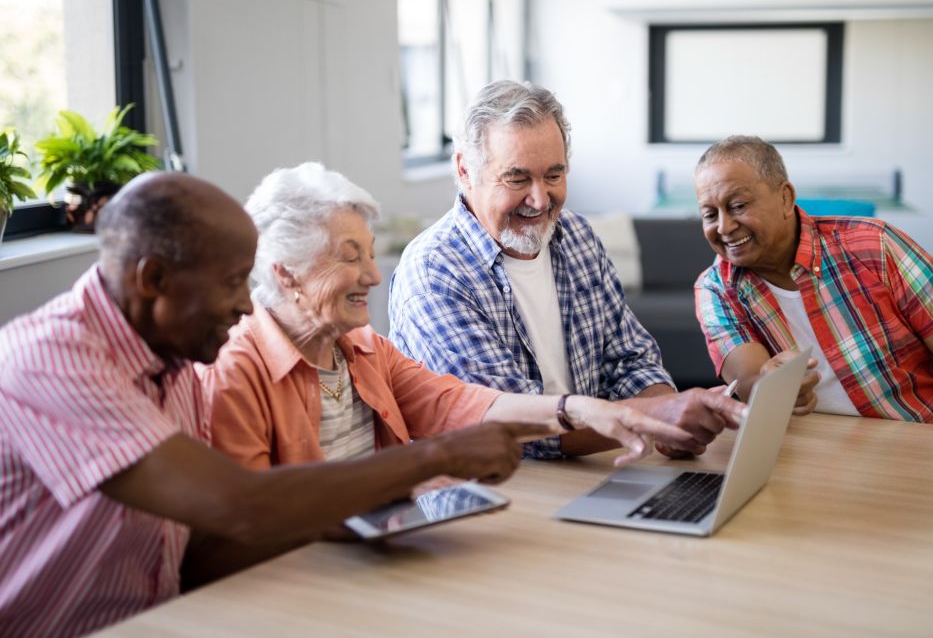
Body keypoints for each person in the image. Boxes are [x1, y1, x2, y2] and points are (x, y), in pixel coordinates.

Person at [0, 172, 548, 636]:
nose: (246, 305)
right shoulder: (51, 358)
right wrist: (435, 458)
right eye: (233, 283)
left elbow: (209, 549)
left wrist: (356, 516)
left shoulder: (176, 364)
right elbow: (239, 506)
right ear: (154, 280)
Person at [202, 162, 717, 473]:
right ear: (287, 273)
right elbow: (251, 519)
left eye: (369, 254)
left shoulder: (361, 349)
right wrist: (414, 472)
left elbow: (466, 403)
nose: (373, 276)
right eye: (349, 256)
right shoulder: (236, 370)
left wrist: (591, 411)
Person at [388, 80, 745, 460]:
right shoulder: (434, 273)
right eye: (518, 178)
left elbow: (629, 358)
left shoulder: (576, 236)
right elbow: (511, 427)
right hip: (492, 488)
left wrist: (669, 421)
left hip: (587, 467)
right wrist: (656, 418)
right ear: (464, 169)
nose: (540, 199)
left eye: (554, 176)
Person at [693, 135, 933, 432]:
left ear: (785, 198)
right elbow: (751, 381)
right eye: (710, 214)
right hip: (814, 458)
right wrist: (771, 385)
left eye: (738, 206)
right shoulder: (715, 289)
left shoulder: (875, 245)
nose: (724, 226)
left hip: (924, 440)